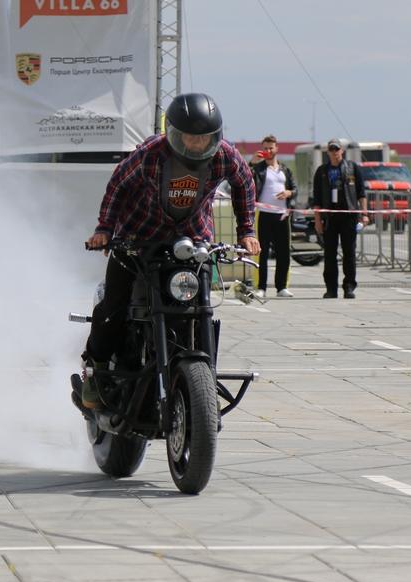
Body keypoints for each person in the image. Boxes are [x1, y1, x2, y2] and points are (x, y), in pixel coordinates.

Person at [81, 93, 260, 409]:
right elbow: (118, 184)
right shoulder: (151, 153)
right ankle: (94, 373)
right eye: (190, 137)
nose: (196, 144)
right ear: (174, 133)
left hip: (193, 241)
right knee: (115, 306)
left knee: (199, 305)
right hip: (138, 239)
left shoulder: (225, 156)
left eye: (204, 137)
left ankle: (202, 375)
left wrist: (246, 231)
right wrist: (104, 229)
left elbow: (244, 182)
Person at [312, 138, 369, 298]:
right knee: (329, 254)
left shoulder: (352, 168)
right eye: (332, 149)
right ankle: (331, 289)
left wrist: (364, 214)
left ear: (341, 151)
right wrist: (317, 220)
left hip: (348, 216)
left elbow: (361, 193)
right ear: (328, 152)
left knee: (349, 253)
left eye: (337, 149)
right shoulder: (322, 171)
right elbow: (316, 199)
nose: (334, 152)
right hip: (329, 217)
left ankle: (349, 286)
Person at [249, 135, 297, 298]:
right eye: (265, 148)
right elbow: (245, 180)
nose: (268, 151)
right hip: (264, 215)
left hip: (282, 216)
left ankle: (281, 287)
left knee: (283, 252)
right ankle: (261, 287)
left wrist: (289, 193)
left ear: (277, 149)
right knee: (261, 252)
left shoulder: (285, 169)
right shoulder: (259, 169)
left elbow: (295, 189)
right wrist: (251, 163)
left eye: (271, 148)